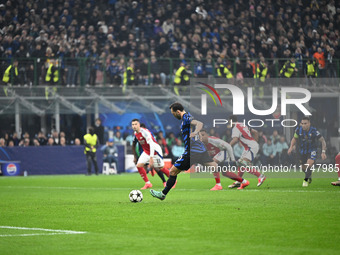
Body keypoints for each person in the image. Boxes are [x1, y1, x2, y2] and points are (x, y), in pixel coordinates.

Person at [150, 102, 249, 200]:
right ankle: (243, 181)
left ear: (178, 111)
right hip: (201, 149)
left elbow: (199, 123)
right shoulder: (188, 116)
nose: (173, 115)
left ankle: (163, 194)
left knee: (172, 171)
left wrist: (196, 132)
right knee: (217, 167)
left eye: (173, 113)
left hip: (192, 151)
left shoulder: (185, 117)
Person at [228, 115, 266, 188]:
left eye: (229, 122)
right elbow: (255, 132)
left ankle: (261, 176)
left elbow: (235, 139)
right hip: (249, 147)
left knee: (243, 164)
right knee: (240, 164)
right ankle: (239, 181)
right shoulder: (242, 124)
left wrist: (227, 146)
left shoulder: (235, 127)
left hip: (250, 147)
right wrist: (255, 142)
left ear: (231, 121)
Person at [288, 116, 327, 187]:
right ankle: (309, 175)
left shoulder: (314, 131)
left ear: (309, 124)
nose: (303, 125)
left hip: (312, 150)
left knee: (309, 164)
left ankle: (305, 180)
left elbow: (323, 141)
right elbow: (294, 138)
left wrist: (323, 152)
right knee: (303, 167)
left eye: (305, 123)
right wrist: (291, 147)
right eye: (302, 123)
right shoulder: (298, 130)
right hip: (302, 151)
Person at [131, 119, 170, 189]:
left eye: (135, 124)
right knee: (139, 165)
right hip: (146, 151)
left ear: (139, 125)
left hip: (155, 151)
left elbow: (151, 144)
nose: (134, 126)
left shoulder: (144, 132)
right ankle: (148, 183)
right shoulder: (135, 133)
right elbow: (134, 144)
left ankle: (172, 179)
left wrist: (151, 157)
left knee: (160, 168)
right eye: (133, 124)